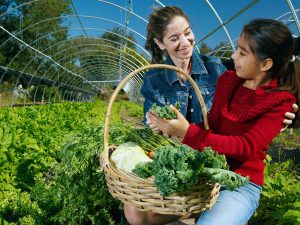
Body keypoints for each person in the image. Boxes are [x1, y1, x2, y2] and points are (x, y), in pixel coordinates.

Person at [124, 6, 299, 225]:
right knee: (135, 212)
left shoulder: (219, 69)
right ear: (160, 43)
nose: (185, 42)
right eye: (174, 38)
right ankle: (201, 209)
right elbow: (210, 123)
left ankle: (216, 212)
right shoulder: (155, 79)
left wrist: (285, 118)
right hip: (193, 165)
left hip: (235, 175)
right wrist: (157, 126)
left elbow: (270, 75)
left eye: (187, 33)